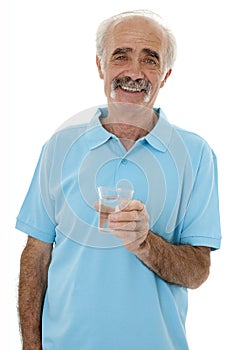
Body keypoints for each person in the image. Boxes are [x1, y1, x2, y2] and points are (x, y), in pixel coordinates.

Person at [16, 9, 221, 350]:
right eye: (121, 56)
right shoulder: (60, 147)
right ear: (100, 65)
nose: (134, 72)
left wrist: (145, 243)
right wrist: (31, 347)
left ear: (165, 74)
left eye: (150, 60)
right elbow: (36, 254)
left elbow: (198, 271)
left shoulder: (196, 154)